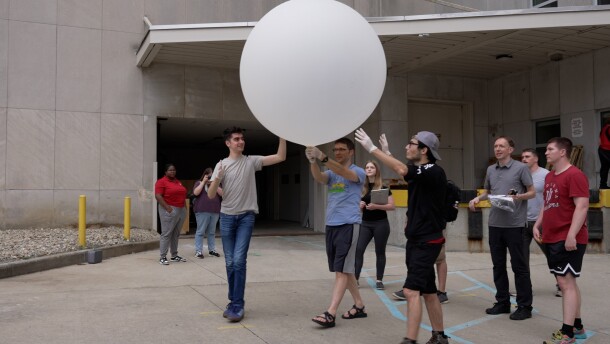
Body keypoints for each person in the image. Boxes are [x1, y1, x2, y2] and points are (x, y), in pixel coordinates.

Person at [356, 128, 449, 344]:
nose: (407, 146)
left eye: (411, 143)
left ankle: (410, 340)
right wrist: (387, 153)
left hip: (427, 241)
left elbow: (401, 169)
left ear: (424, 150)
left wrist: (372, 149)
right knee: (428, 291)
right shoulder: (421, 172)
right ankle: (439, 337)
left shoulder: (433, 171)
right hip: (418, 240)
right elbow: (404, 171)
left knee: (410, 291)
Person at [207, 127, 286, 322]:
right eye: (236, 139)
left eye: (242, 138)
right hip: (226, 217)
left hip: (246, 217)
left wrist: (283, 135)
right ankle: (233, 300)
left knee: (239, 261)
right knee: (230, 262)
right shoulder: (221, 165)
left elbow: (280, 157)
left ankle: (237, 304)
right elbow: (210, 195)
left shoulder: (251, 161)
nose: (241, 142)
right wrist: (217, 178)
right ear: (228, 143)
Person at [468, 136, 535, 320]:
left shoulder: (521, 168)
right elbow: (488, 192)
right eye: (496, 146)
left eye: (502, 146)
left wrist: (518, 197)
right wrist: (477, 198)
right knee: (498, 266)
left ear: (510, 149)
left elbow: (532, 192)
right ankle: (503, 302)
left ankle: (524, 306)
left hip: (515, 225)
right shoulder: (491, 169)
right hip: (495, 224)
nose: (498, 149)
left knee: (519, 267)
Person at [306, 138, 368, 328]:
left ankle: (330, 313)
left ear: (351, 152)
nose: (338, 152)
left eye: (342, 149)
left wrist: (322, 156)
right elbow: (320, 178)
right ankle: (359, 305)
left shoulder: (358, 172)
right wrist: (312, 162)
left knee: (341, 270)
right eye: (335, 150)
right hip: (331, 225)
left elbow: (345, 173)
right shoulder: (332, 172)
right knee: (344, 269)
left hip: (348, 224)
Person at [534, 137, 589, 344]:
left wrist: (572, 234)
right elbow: (547, 203)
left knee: (565, 283)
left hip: (568, 237)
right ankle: (578, 326)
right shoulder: (550, 176)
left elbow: (582, 206)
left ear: (562, 152)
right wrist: (537, 224)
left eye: (550, 149)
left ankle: (567, 333)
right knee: (567, 282)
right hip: (552, 236)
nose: (546, 153)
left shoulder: (575, 175)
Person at [521, 149, 559, 297]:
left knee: (551, 254)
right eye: (522, 157)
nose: (524, 159)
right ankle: (524, 288)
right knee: (521, 258)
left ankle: (562, 284)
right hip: (522, 222)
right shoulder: (520, 175)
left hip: (541, 222)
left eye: (527, 156)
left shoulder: (545, 175)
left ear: (535, 159)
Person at [355, 160, 395, 290]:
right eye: (367, 167)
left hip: (381, 224)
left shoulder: (383, 187)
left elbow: (391, 206)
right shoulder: (362, 187)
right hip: (365, 223)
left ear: (376, 170)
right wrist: (360, 207)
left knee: (380, 252)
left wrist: (376, 206)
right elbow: (360, 209)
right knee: (359, 250)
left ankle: (379, 280)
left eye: (372, 167)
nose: (369, 169)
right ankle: (355, 279)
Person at [154, 164, 188, 266]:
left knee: (175, 233)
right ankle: (162, 257)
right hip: (169, 209)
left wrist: (185, 209)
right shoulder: (161, 182)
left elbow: (183, 195)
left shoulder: (177, 182)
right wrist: (168, 208)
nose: (172, 172)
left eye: (174, 170)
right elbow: (158, 196)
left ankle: (174, 255)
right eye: (170, 170)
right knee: (166, 233)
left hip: (181, 210)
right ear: (165, 172)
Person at [192, 167, 222, 259]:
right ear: (205, 175)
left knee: (212, 232)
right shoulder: (198, 182)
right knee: (200, 231)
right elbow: (196, 193)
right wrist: (203, 182)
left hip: (215, 211)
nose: (210, 178)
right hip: (202, 210)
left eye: (212, 176)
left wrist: (214, 184)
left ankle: (212, 250)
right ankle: (198, 251)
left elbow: (223, 194)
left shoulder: (217, 184)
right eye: (208, 176)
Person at [598, 117, 610, 189]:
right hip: (608, 150)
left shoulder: (603, 129)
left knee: (604, 168)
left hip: (602, 150)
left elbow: (600, 140)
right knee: (605, 168)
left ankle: (603, 185)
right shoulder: (609, 128)